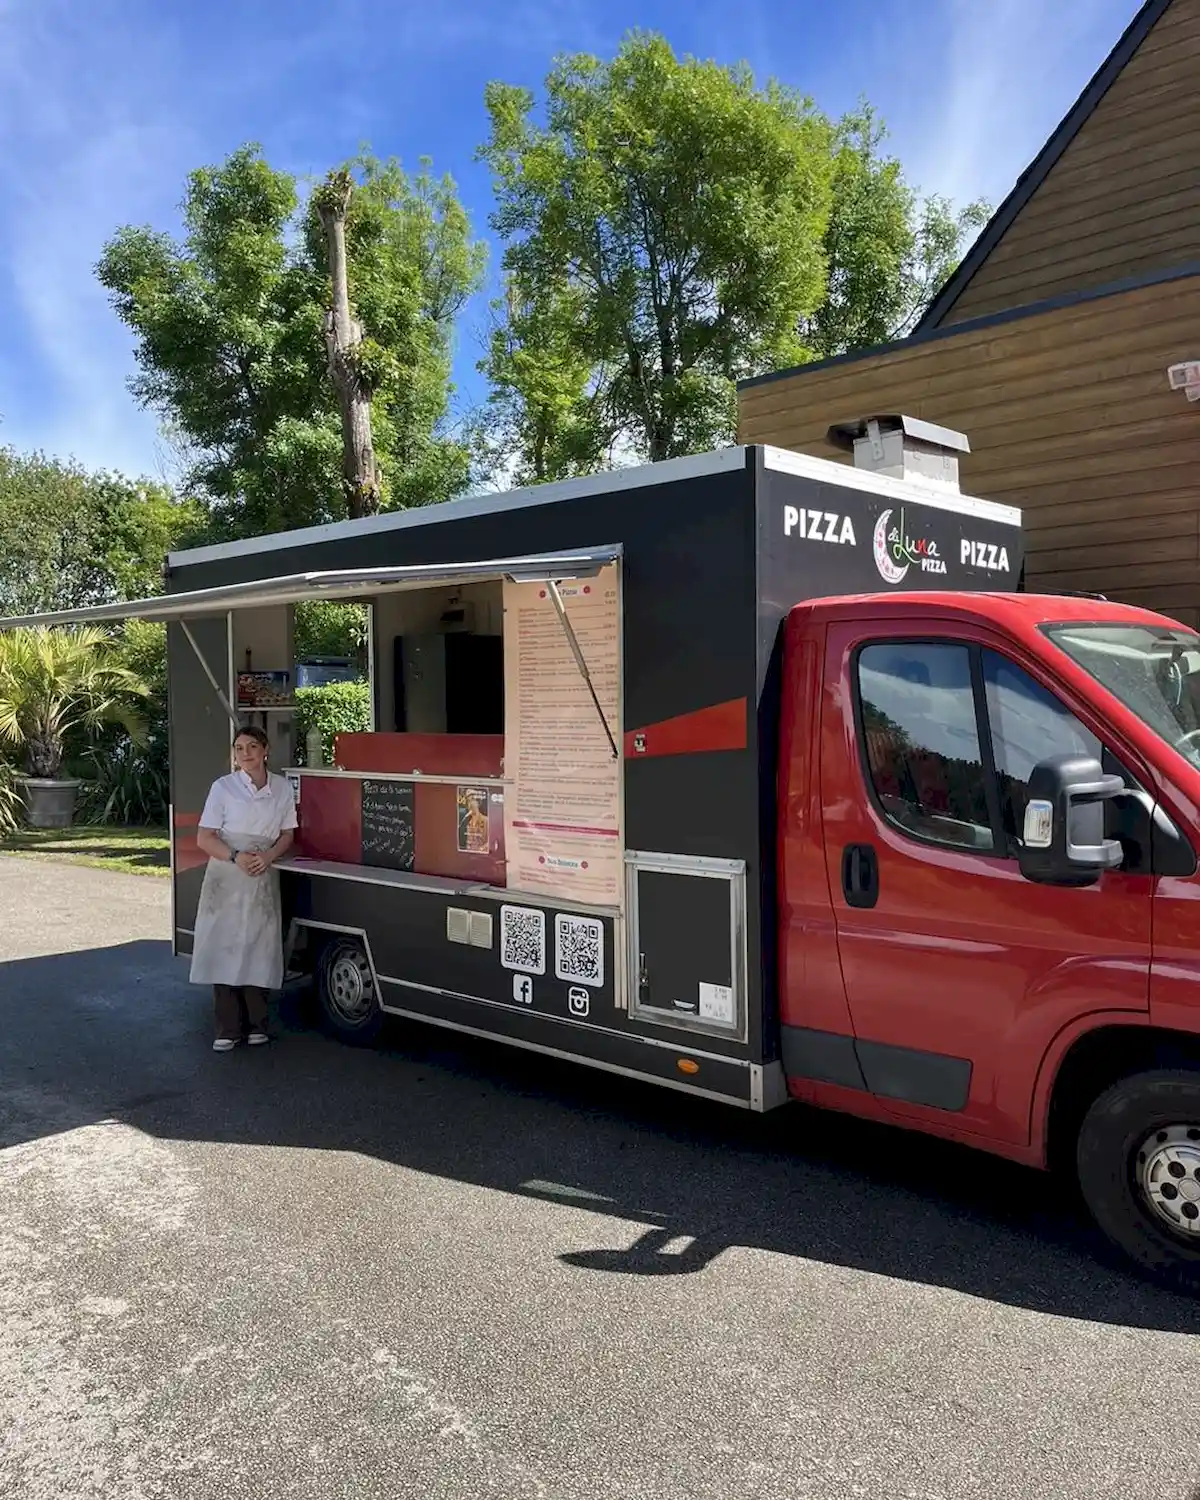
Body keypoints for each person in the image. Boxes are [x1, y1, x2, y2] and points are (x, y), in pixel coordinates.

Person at [191, 725, 297, 1052]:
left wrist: (267, 857)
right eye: (239, 748)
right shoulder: (223, 788)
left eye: (252, 746)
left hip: (262, 871)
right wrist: (235, 856)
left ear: (265, 750)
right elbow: (205, 837)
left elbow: (287, 834)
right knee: (223, 943)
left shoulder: (281, 788)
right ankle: (227, 1028)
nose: (246, 753)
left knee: (259, 945)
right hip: (228, 871)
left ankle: (257, 1024)